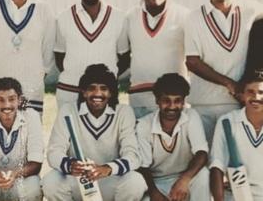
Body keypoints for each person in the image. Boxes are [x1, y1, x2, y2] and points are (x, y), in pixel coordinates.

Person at [184, 0, 263, 143]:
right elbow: (192, 62)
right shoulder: (194, 17)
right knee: (206, 163)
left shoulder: (251, 8)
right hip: (203, 105)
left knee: (235, 163)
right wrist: (230, 84)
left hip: (238, 105)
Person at [42, 64, 147, 201]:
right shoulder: (68, 111)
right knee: (51, 181)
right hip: (79, 180)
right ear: (83, 92)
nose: (97, 93)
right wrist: (71, 165)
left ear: (111, 93)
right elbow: (54, 152)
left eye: (103, 88)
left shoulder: (123, 112)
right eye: (92, 88)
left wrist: (106, 168)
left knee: (135, 181)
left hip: (109, 179)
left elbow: (133, 156)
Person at [120, 0, 189, 119]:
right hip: (140, 99)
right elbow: (123, 54)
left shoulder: (184, 15)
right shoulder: (130, 16)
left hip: (173, 98)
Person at [54, 0, 126, 108]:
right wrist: (77, 75)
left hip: (103, 95)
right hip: (70, 91)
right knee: (69, 130)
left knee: (105, 131)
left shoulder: (119, 18)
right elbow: (59, 57)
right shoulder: (63, 18)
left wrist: (105, 79)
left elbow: (124, 58)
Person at [136, 73, 210, 201]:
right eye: (166, 100)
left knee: (203, 174)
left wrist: (184, 180)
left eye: (177, 101)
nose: (172, 106)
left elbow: (201, 153)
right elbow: (143, 166)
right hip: (156, 183)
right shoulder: (144, 124)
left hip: (185, 178)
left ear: (183, 102)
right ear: (157, 100)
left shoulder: (191, 116)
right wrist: (154, 193)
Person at [210, 69, 263, 200]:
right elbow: (217, 165)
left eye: (261, 93)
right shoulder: (227, 121)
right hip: (237, 195)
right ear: (242, 95)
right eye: (250, 92)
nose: (256, 97)